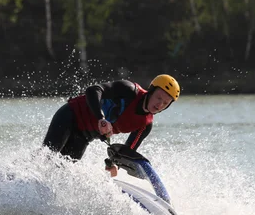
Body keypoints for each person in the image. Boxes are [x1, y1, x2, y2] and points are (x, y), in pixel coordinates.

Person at [42, 74, 180, 176]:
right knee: (46, 159)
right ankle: (25, 181)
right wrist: (101, 118)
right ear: (151, 91)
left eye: (165, 103)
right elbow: (93, 90)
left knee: (63, 173)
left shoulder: (145, 125)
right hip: (69, 116)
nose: (159, 104)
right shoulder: (129, 90)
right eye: (159, 97)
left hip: (83, 137)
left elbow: (125, 153)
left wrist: (114, 165)